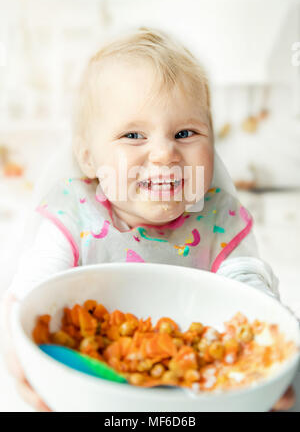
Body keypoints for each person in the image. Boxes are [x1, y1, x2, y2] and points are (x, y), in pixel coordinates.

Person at [2, 26, 294, 411]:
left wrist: (270, 358)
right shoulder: (74, 216)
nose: (163, 154)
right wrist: (21, 355)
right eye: (134, 135)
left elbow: (249, 288)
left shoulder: (216, 219)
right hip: (89, 384)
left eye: (185, 133)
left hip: (198, 389)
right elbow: (32, 292)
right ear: (89, 158)